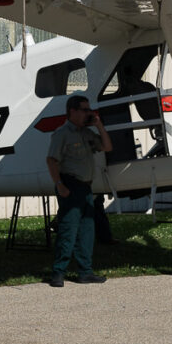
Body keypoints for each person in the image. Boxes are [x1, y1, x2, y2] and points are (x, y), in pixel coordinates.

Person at [46, 95, 113, 287]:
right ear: (72, 111)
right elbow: (51, 160)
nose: (88, 113)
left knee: (87, 231)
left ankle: (85, 272)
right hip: (70, 185)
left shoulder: (86, 133)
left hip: (85, 187)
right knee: (68, 230)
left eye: (89, 110)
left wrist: (98, 125)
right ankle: (58, 273)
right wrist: (59, 184)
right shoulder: (62, 133)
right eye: (84, 110)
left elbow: (107, 147)